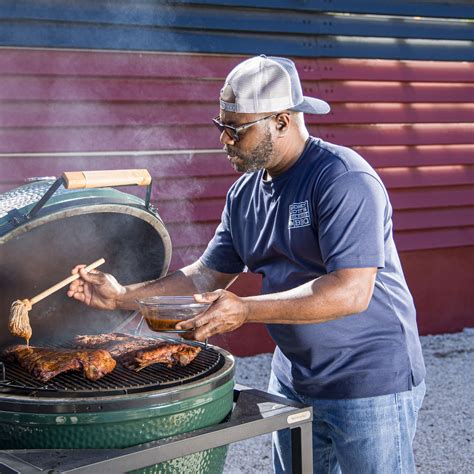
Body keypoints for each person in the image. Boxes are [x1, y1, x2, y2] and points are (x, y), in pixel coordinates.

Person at [68, 55, 426, 473]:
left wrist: (246, 309)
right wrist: (123, 297)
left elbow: (351, 290)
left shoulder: (343, 180)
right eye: (220, 126)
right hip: (295, 376)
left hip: (368, 379)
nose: (223, 140)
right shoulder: (244, 194)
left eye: (235, 130)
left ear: (281, 121)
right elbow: (205, 274)